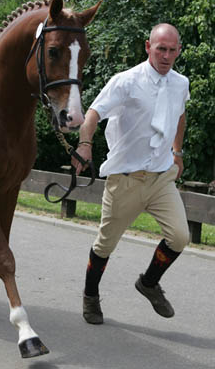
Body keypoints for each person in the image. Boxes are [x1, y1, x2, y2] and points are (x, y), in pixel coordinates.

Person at [73, 23, 190, 324]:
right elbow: (93, 114)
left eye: (171, 50)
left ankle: (148, 283)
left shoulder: (180, 83)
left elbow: (180, 115)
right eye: (160, 48)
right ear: (148, 47)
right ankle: (90, 296)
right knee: (105, 245)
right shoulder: (126, 81)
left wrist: (177, 153)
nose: (165, 55)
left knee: (179, 237)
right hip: (126, 179)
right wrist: (85, 145)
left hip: (161, 177)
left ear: (178, 50)